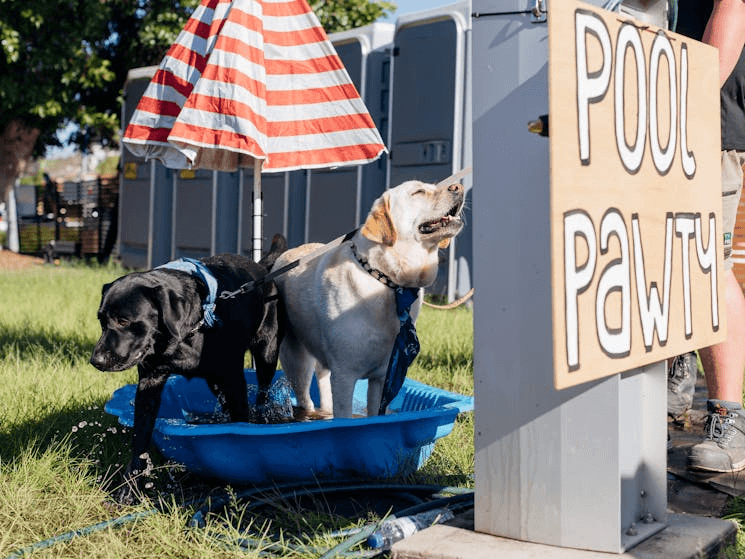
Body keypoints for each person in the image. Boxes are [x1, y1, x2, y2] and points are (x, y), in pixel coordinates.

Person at [673, 0, 745, 473]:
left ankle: (729, 420)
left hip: (703, 125)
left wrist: (685, 107)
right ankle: (669, 387)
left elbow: (732, 8)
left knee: (707, 271)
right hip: (665, 129)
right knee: (670, 265)